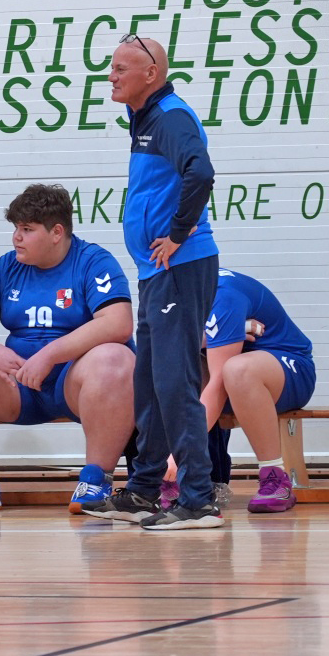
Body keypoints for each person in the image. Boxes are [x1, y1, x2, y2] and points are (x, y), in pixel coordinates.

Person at [0, 184, 135, 514]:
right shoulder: (7, 266)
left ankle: (96, 481)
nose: (16, 238)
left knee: (115, 357)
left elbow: (119, 323)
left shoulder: (93, 262)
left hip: (72, 384)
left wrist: (50, 355)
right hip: (17, 385)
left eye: (26, 229)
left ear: (57, 232)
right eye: (16, 228)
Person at [87, 33, 224, 530]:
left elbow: (200, 173)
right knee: (149, 383)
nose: (111, 77)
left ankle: (198, 500)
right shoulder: (145, 118)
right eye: (111, 68)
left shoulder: (169, 117)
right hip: (156, 273)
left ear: (152, 74)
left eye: (120, 69)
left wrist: (178, 234)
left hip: (179, 269)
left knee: (174, 382)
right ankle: (144, 491)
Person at [159, 270, 316, 513]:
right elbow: (165, 344)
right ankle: (198, 481)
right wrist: (223, 334)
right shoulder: (165, 289)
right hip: (231, 380)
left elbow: (218, 382)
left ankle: (274, 477)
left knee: (237, 369)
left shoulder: (224, 294)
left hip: (288, 368)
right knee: (179, 364)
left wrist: (179, 455)